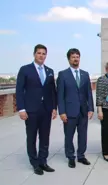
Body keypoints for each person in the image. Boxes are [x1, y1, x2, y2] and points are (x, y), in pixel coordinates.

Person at [15, 44, 57, 175]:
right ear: (34, 54)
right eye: (39, 53)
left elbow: (53, 91)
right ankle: (34, 163)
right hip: (31, 110)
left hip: (46, 109)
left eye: (44, 54)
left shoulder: (49, 71)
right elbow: (19, 90)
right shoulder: (25, 70)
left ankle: (43, 161)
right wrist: (21, 109)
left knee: (45, 137)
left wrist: (54, 108)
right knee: (32, 137)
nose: (41, 56)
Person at [57, 48, 94, 168]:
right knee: (69, 135)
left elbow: (89, 92)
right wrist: (61, 112)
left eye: (77, 56)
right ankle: (70, 157)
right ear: (69, 59)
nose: (75, 59)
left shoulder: (85, 74)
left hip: (83, 111)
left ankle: (81, 156)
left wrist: (91, 108)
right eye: (73, 57)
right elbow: (60, 95)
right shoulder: (63, 75)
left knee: (83, 135)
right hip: (69, 111)